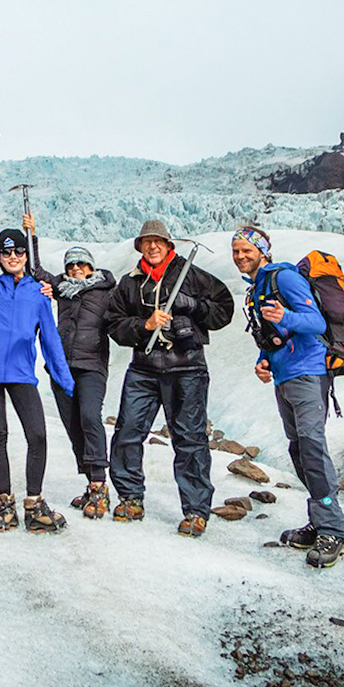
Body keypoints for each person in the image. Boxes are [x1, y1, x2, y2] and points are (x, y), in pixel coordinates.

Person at [104, 219, 234, 537]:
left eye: (158, 241)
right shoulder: (131, 283)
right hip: (144, 369)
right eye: (147, 242)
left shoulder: (191, 275)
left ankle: (195, 510)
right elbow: (113, 322)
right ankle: (130, 498)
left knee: (189, 440)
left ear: (168, 244)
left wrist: (192, 306)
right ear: (139, 246)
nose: (153, 247)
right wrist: (143, 326)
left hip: (187, 367)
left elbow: (224, 309)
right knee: (127, 433)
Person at [231, 226, 344, 568]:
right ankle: (320, 519)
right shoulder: (257, 289)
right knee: (299, 449)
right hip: (284, 376)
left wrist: (287, 315)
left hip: (309, 373)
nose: (240, 256)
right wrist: (262, 362)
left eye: (246, 250)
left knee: (312, 445)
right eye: (236, 251)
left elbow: (316, 323)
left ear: (263, 251)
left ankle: (333, 532)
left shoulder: (284, 278)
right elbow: (271, 337)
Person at [0, 200, 75, 533]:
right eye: (6, 253)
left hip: (23, 374)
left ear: (25, 255)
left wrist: (66, 382)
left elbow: (50, 341)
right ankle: (5, 503)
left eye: (18, 252)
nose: (13, 257)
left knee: (37, 434)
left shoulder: (39, 293)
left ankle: (33, 503)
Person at [22, 214, 114, 520]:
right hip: (62, 368)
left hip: (91, 366)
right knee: (73, 425)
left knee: (90, 417)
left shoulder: (105, 291)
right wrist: (31, 235)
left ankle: (101, 486)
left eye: (81, 264)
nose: (76, 269)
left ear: (92, 267)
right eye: (71, 265)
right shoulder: (60, 288)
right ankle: (91, 484)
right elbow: (35, 272)